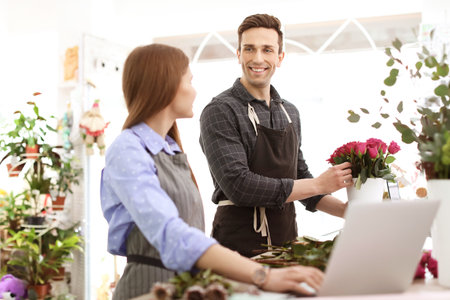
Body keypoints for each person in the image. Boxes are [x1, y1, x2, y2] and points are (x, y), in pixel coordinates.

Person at [101, 43, 325, 300]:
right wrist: (264, 275)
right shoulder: (127, 149)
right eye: (189, 81)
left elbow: (190, 240)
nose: (194, 91)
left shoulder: (170, 148)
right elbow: (172, 235)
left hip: (183, 287)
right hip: (148, 289)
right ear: (167, 85)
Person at [199, 14, 353, 258]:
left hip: (286, 241)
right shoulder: (220, 110)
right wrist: (318, 184)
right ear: (238, 54)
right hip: (237, 249)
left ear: (279, 57)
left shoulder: (289, 111)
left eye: (267, 50)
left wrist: (347, 211)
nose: (257, 58)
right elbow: (239, 185)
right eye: (249, 49)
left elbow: (299, 175)